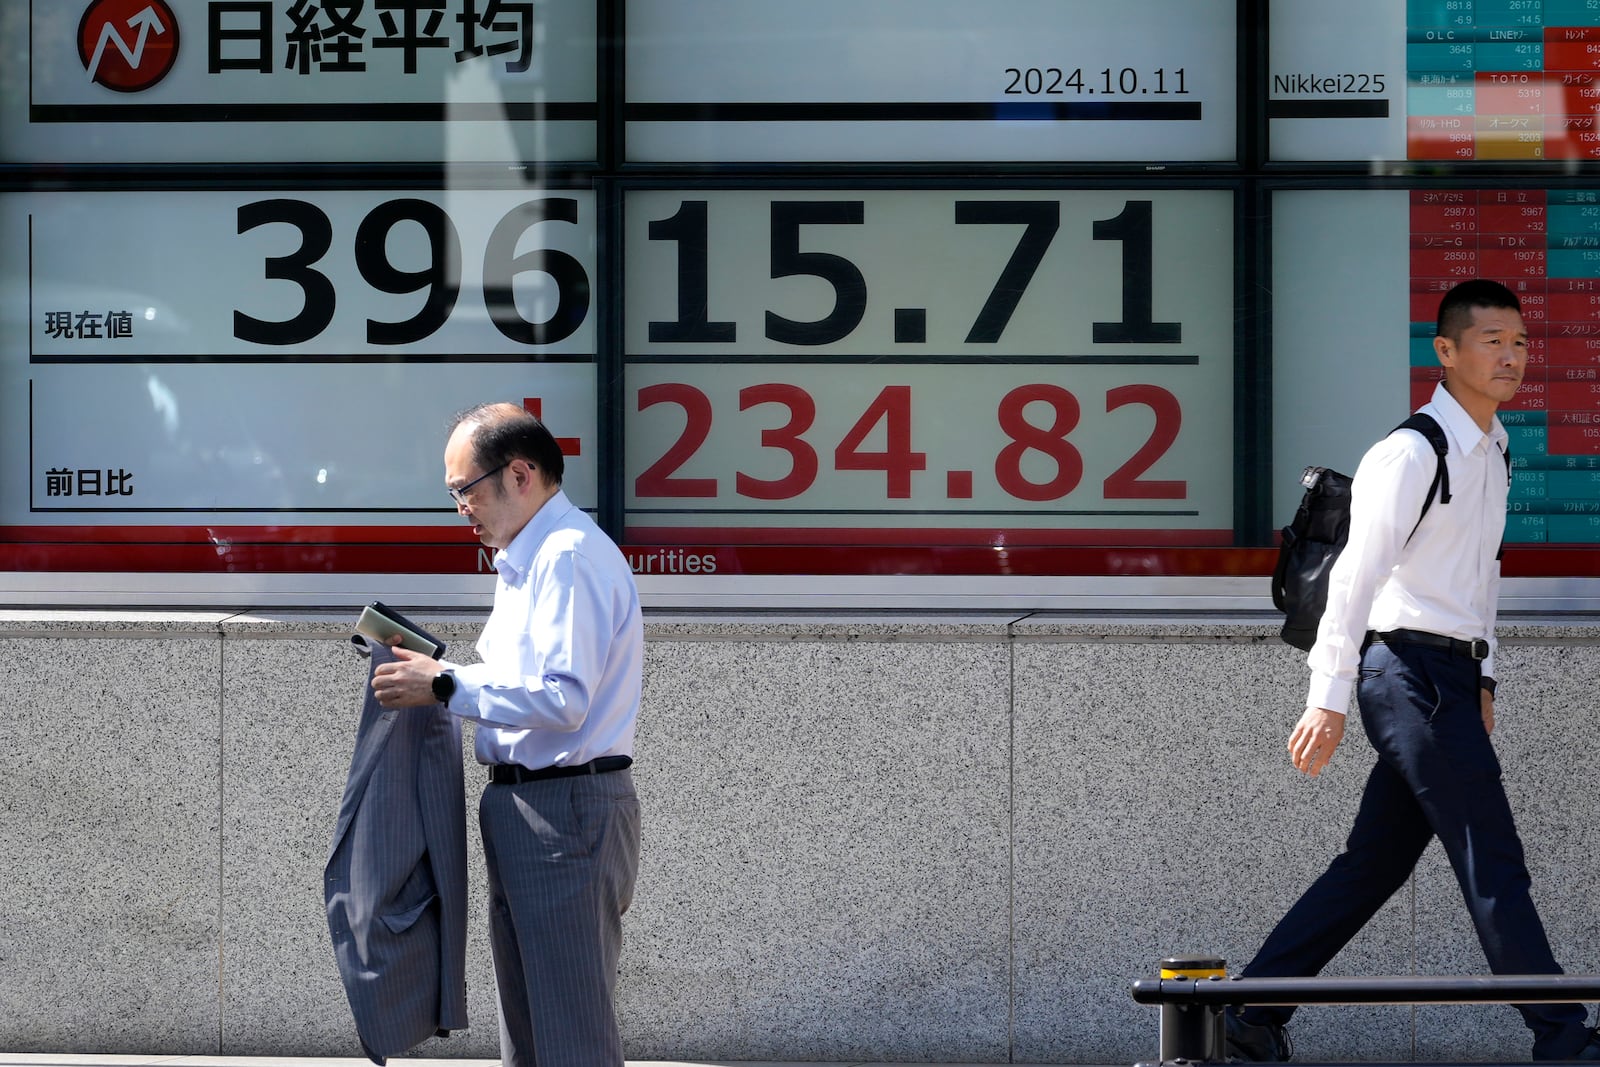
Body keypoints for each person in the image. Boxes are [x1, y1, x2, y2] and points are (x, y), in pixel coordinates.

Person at [1226, 279, 1600, 1062]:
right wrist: (1325, 698)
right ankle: (1563, 1035)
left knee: (1374, 863)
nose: (1510, 355)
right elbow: (1355, 583)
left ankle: (1250, 1011)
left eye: (1520, 342)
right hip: (1404, 675)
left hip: (1450, 678)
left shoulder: (1494, 449)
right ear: (1445, 350)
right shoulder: (1409, 452)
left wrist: (1486, 675)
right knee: (1489, 850)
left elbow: (1480, 578)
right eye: (1491, 340)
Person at [370, 402, 643, 1067]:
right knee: (533, 1032)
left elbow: (563, 696)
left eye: (465, 489)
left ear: (520, 474)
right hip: (536, 808)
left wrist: (445, 683)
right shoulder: (530, 558)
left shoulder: (567, 557)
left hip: (564, 810)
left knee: (568, 1032)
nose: (461, 507)